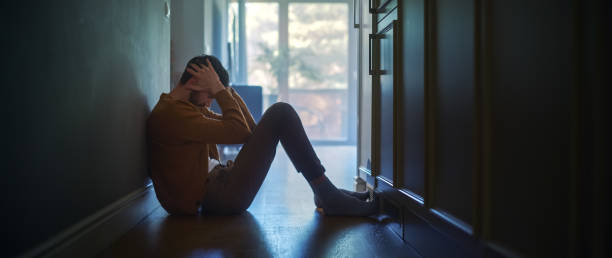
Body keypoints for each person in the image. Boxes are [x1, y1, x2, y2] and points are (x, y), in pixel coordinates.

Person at [147, 55, 378, 216]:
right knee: (281, 112)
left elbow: (248, 131)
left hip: (220, 186)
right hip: (216, 195)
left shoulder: (185, 110)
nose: (210, 103)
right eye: (210, 95)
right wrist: (219, 90)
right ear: (194, 81)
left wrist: (224, 90)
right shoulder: (171, 115)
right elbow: (238, 131)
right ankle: (327, 194)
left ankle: (327, 192)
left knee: (280, 113)